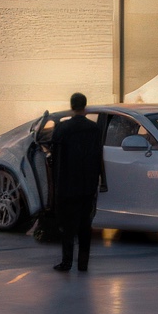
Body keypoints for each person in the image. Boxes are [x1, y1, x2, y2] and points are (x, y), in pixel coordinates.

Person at [47, 93, 106, 273]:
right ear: (85, 107)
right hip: (87, 185)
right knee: (85, 225)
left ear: (71, 106)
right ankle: (83, 264)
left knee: (67, 226)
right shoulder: (94, 129)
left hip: (66, 185)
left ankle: (66, 263)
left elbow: (54, 157)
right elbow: (98, 156)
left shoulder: (63, 129)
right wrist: (101, 180)